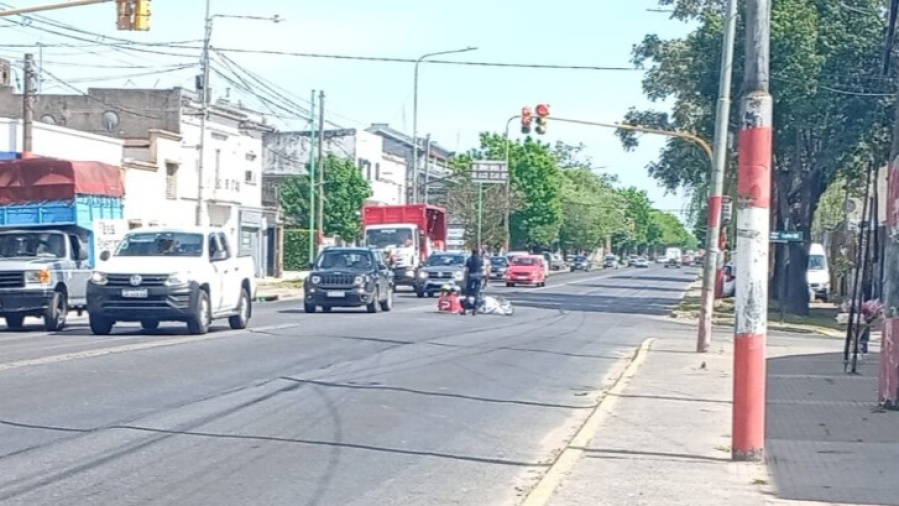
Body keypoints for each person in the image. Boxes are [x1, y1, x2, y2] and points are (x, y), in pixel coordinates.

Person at [463, 247, 484, 315]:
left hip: (471, 276)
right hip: (478, 276)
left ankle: (465, 308)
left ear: (472, 252)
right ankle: (475, 308)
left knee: (468, 292)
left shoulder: (469, 259)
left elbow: (466, 270)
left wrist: (465, 279)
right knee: (477, 292)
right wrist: (483, 279)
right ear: (477, 253)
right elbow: (482, 269)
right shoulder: (480, 260)